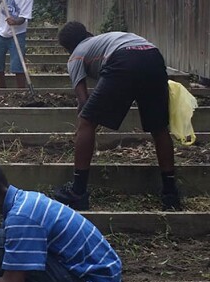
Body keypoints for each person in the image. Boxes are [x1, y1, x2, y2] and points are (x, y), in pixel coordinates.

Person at [54, 21, 182, 211]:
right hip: (153, 56)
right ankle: (170, 193)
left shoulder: (75, 55)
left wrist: (81, 127)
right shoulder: (104, 39)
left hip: (123, 58)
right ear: (87, 33)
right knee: (159, 128)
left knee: (87, 122)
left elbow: (83, 101)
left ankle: (78, 191)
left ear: (67, 48)